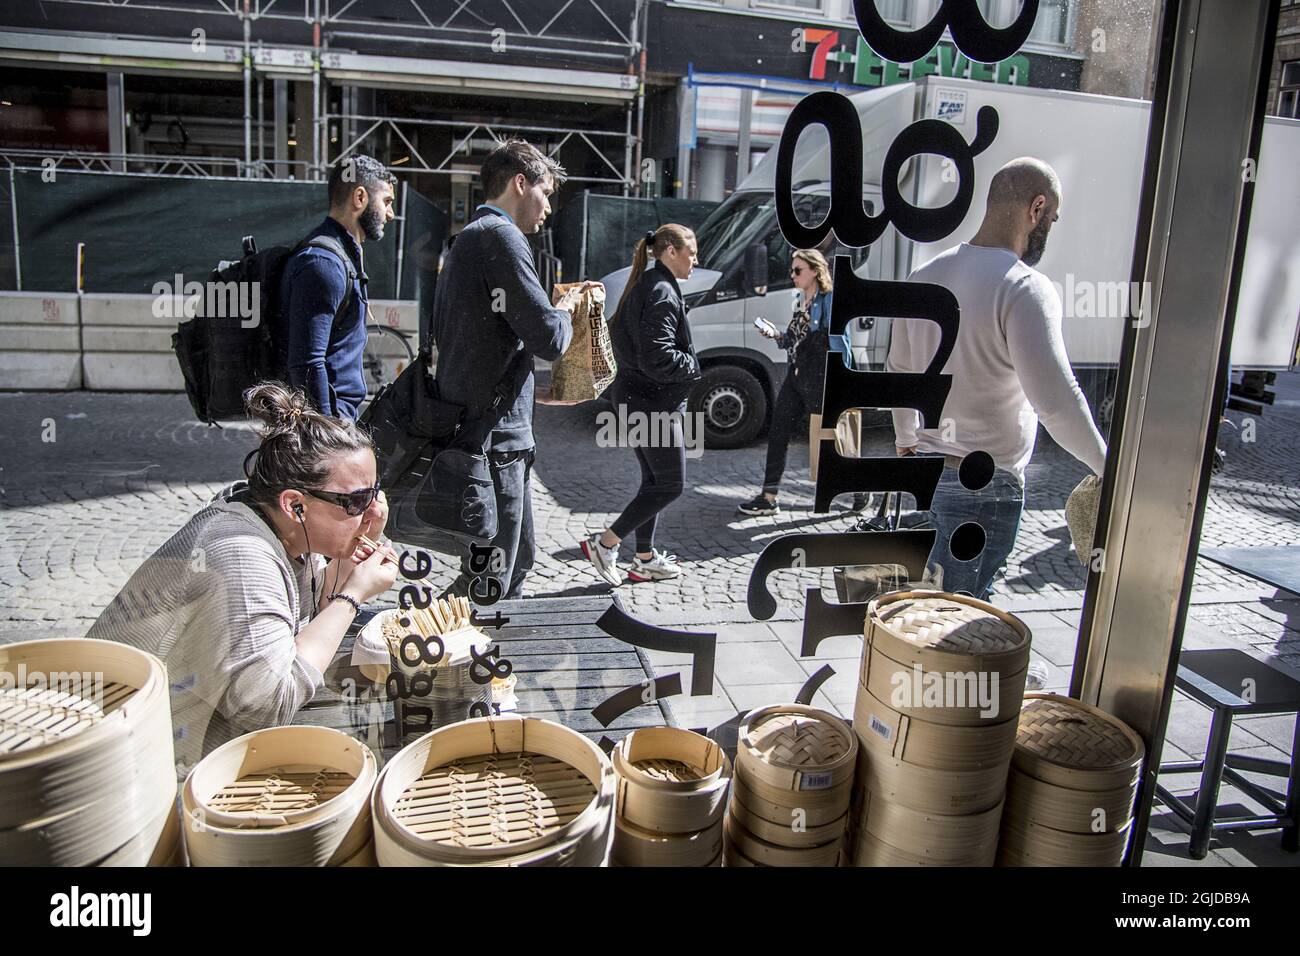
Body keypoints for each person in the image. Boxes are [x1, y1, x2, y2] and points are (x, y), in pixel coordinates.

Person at [85, 383, 400, 777]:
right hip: (125, 760)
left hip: (175, 737)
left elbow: (317, 613)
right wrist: (353, 595)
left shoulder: (277, 523)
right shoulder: (242, 556)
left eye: (374, 492)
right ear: (295, 504)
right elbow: (268, 704)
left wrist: (361, 537)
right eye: (355, 500)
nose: (372, 508)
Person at [887, 157, 1108, 601]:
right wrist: (1108, 467)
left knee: (931, 606)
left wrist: (907, 437)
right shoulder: (1024, 287)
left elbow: (900, 373)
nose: (1050, 228)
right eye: (1054, 218)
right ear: (1037, 208)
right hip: (984, 485)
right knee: (961, 615)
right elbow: (1057, 402)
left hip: (927, 475)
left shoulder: (924, 276)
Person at [431, 138, 581, 601]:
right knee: (496, 573)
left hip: (484, 433)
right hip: (495, 441)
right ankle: (463, 656)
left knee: (514, 561)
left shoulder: (468, 238)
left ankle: (463, 642)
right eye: (547, 193)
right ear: (521, 183)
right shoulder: (501, 237)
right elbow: (550, 340)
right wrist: (566, 308)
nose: (549, 208)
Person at [580, 225, 702, 585]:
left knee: (654, 480)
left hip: (636, 399)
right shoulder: (662, 290)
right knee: (670, 484)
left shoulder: (650, 283)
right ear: (669, 252)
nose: (696, 259)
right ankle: (604, 544)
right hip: (651, 404)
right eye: (691, 252)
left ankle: (645, 559)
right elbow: (656, 357)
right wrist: (693, 365)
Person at [278, 154, 396, 420]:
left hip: (338, 419)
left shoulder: (338, 255)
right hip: (326, 427)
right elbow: (307, 363)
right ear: (360, 197)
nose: (390, 214)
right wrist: (329, 433)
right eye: (386, 202)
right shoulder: (323, 264)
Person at [737, 248, 852, 517]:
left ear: (815, 271)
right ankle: (769, 497)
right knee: (778, 433)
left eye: (798, 270)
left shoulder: (830, 299)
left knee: (831, 438)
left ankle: (859, 491)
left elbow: (838, 342)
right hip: (797, 376)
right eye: (792, 270)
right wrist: (775, 334)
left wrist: (844, 377)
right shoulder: (801, 299)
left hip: (821, 377)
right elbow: (793, 339)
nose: (792, 275)